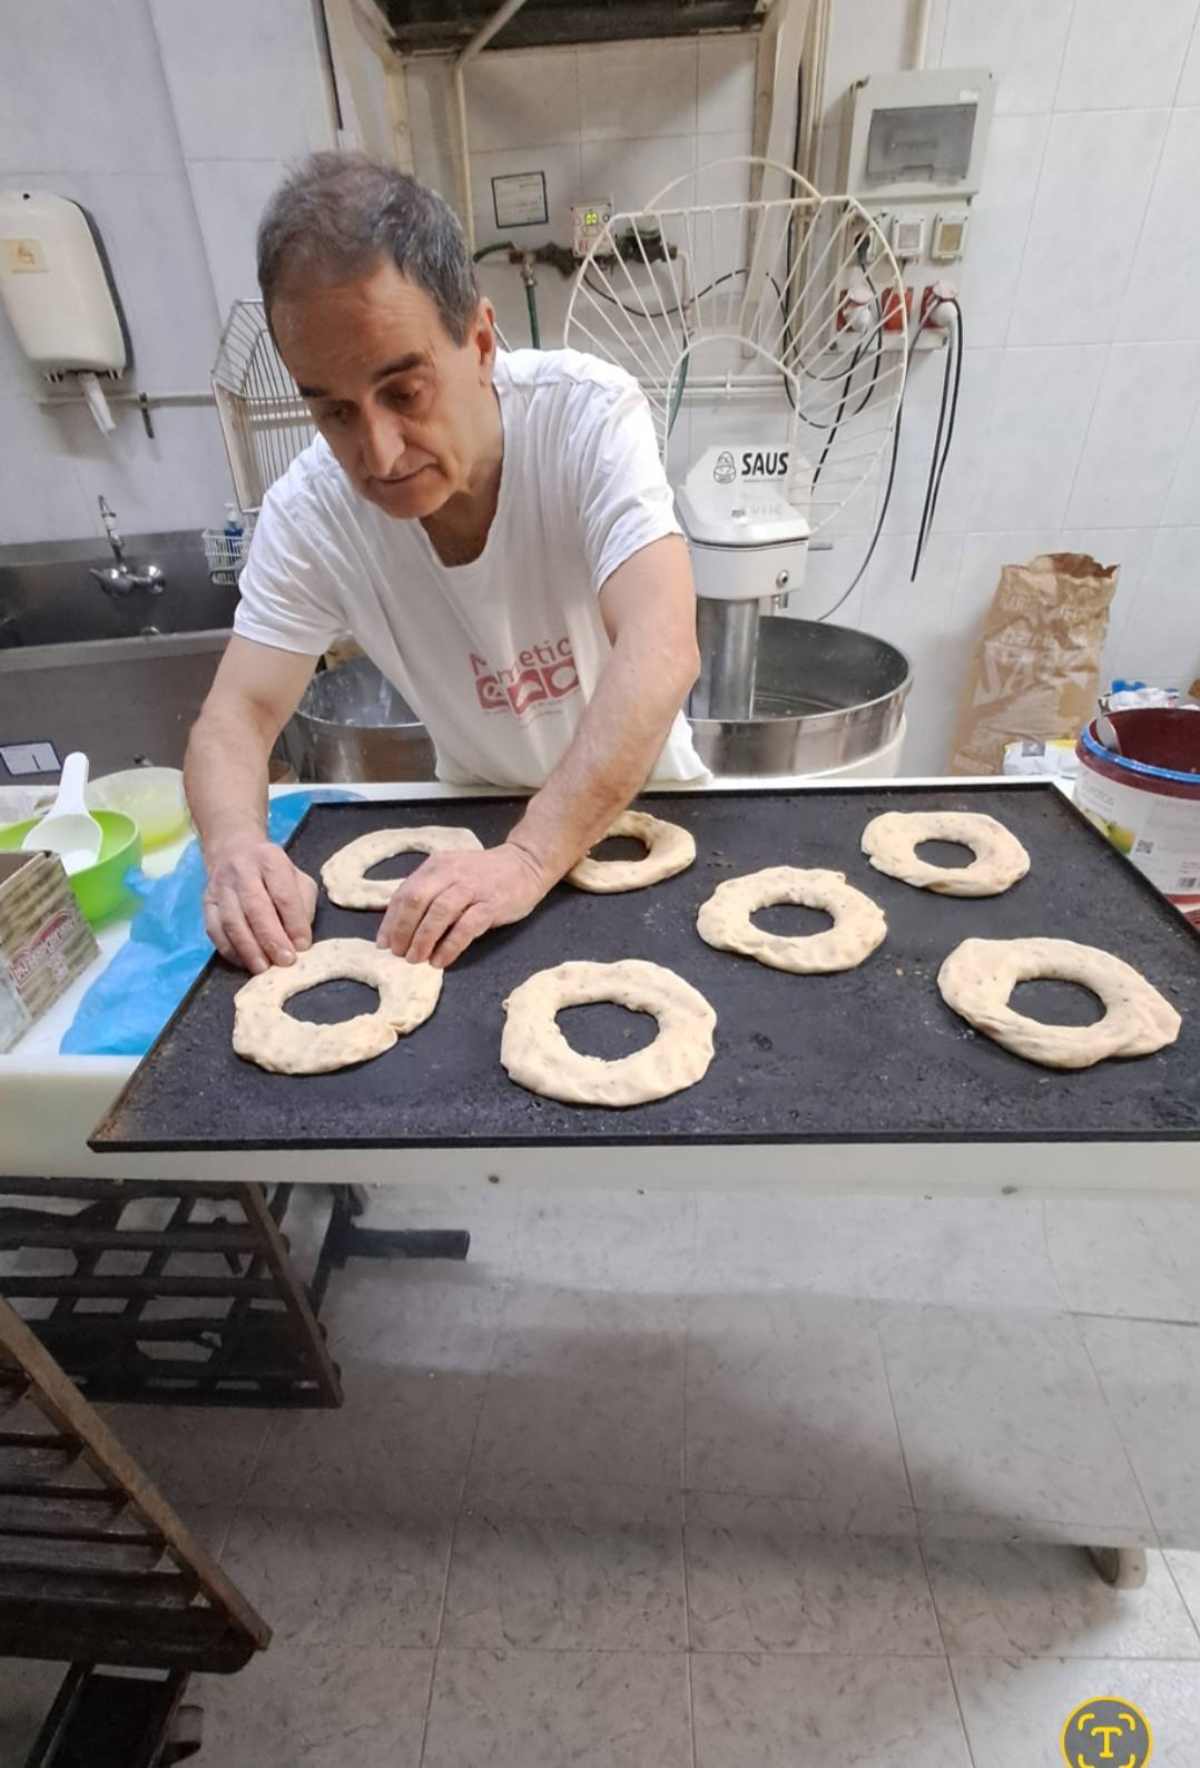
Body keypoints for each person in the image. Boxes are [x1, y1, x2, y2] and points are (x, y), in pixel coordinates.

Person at [186, 152, 704, 975]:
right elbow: (237, 715)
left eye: (404, 391)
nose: (378, 452)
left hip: (647, 805)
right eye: (332, 409)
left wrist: (533, 856)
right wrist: (235, 848)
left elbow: (662, 642)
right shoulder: (312, 509)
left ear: (482, 340)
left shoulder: (586, 418)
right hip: (472, 831)